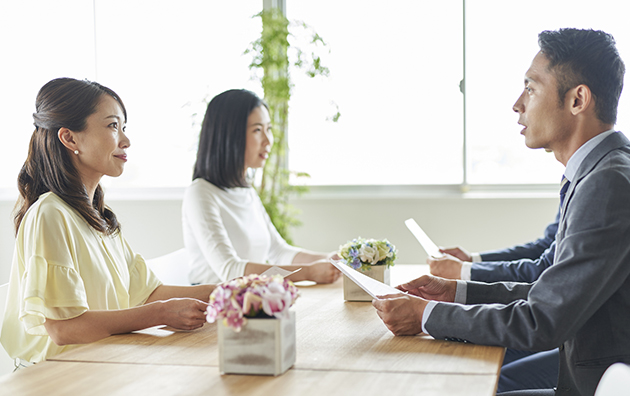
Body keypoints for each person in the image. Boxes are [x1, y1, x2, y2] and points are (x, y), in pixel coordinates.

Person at [373, 28, 628, 396]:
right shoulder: (597, 173)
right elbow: (547, 285)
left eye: (531, 88)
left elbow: (542, 319)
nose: (517, 104)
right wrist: (456, 292)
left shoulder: (608, 184)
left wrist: (424, 315)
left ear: (578, 100)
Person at [0, 78, 214, 364]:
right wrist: (161, 313)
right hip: (62, 378)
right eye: (113, 126)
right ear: (70, 138)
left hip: (107, 365)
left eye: (123, 127)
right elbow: (64, 329)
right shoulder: (49, 214)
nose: (125, 140)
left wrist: (229, 291)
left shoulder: (99, 217)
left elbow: (147, 293)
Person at [182, 89, 340, 285]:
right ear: (229, 135)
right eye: (257, 130)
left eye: (269, 129)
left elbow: (278, 251)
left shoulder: (246, 192)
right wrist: (307, 273)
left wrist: (334, 260)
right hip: (215, 309)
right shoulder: (201, 193)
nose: (268, 141)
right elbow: (231, 271)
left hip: (251, 304)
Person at [429, 209, 561, 392]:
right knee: (472, 361)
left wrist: (467, 272)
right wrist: (472, 263)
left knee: (490, 381)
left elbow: (545, 270)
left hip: (580, 345)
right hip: (564, 333)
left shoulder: (595, 185)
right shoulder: (575, 183)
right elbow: (548, 246)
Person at [429, 207, 559, 282]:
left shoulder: (578, 189)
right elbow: (546, 245)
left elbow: (548, 267)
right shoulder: (571, 180)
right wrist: (471, 260)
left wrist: (465, 270)